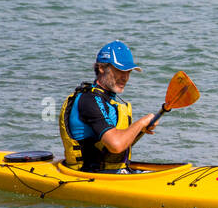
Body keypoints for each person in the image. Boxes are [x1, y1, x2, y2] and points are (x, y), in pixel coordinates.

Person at [59, 41, 160, 172]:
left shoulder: (108, 100)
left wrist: (140, 129)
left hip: (112, 172)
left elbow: (112, 149)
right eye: (119, 70)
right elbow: (116, 145)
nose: (125, 77)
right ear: (101, 67)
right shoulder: (90, 101)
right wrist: (141, 122)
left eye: (129, 72)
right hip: (88, 175)